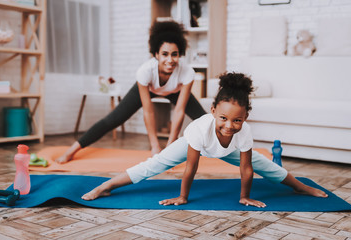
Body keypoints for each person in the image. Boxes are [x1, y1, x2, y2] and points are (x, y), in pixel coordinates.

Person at [81, 72, 328, 207]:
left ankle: (301, 186)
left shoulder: (243, 132)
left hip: (227, 149)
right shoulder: (200, 129)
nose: (229, 125)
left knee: (269, 167)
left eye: (237, 120)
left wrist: (245, 197)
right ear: (212, 111)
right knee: (153, 165)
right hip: (197, 144)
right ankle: (106, 186)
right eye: (223, 118)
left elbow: (247, 169)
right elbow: (191, 168)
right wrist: (183, 197)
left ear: (246, 117)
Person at [56, 20, 206, 163]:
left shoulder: (187, 72)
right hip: (149, 88)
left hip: (176, 91)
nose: (170, 59)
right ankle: (71, 151)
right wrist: (154, 146)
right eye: (165, 54)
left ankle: (228, 149)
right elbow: (148, 112)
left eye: (175, 54)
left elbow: (179, 111)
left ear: (179, 55)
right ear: (156, 55)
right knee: (113, 119)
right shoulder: (145, 71)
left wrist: (170, 147)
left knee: (206, 120)